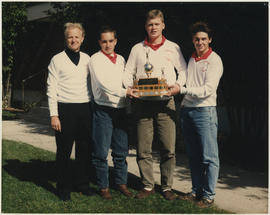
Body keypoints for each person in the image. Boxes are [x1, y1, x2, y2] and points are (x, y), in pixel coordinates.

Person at [123, 9, 187, 200]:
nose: (153, 27)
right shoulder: (137, 49)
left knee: (169, 148)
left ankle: (167, 187)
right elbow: (128, 72)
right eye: (150, 24)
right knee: (143, 148)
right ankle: (148, 185)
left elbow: (183, 70)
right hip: (142, 103)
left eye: (157, 24)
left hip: (166, 102)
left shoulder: (173, 47)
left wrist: (177, 85)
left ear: (163, 25)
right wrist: (129, 87)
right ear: (146, 26)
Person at [47, 22, 95, 201]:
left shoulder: (88, 59)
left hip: (85, 109)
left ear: (82, 38)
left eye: (77, 36)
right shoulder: (56, 59)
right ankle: (63, 188)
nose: (73, 40)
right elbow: (51, 89)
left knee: (84, 150)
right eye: (70, 37)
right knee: (64, 151)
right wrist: (54, 115)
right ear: (65, 39)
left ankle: (82, 183)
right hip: (65, 109)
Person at [178, 21, 223, 208]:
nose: (200, 42)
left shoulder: (215, 60)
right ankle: (196, 190)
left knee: (209, 157)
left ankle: (209, 196)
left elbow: (207, 90)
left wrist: (182, 90)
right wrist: (182, 90)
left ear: (210, 40)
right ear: (193, 41)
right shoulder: (191, 58)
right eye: (197, 39)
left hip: (205, 111)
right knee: (193, 155)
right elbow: (187, 82)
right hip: (187, 111)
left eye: (204, 39)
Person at [89, 26, 136, 200]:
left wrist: (136, 87)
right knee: (101, 152)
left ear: (115, 41)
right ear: (99, 42)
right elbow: (103, 84)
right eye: (104, 41)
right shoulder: (95, 59)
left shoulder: (122, 59)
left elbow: (126, 81)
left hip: (121, 109)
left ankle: (121, 183)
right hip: (103, 109)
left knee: (121, 150)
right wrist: (126, 92)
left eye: (111, 41)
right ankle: (103, 187)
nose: (108, 45)